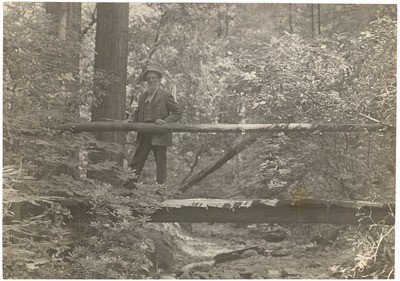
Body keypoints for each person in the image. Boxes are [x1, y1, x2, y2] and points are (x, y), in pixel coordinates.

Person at [126, 65, 182, 192]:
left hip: (160, 135)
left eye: (154, 78)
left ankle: (160, 192)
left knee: (160, 164)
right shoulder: (143, 96)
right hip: (144, 134)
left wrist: (165, 121)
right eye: (149, 79)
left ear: (159, 80)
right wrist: (131, 120)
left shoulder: (166, 95)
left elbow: (177, 112)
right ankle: (127, 191)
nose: (151, 80)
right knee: (136, 162)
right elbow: (138, 112)